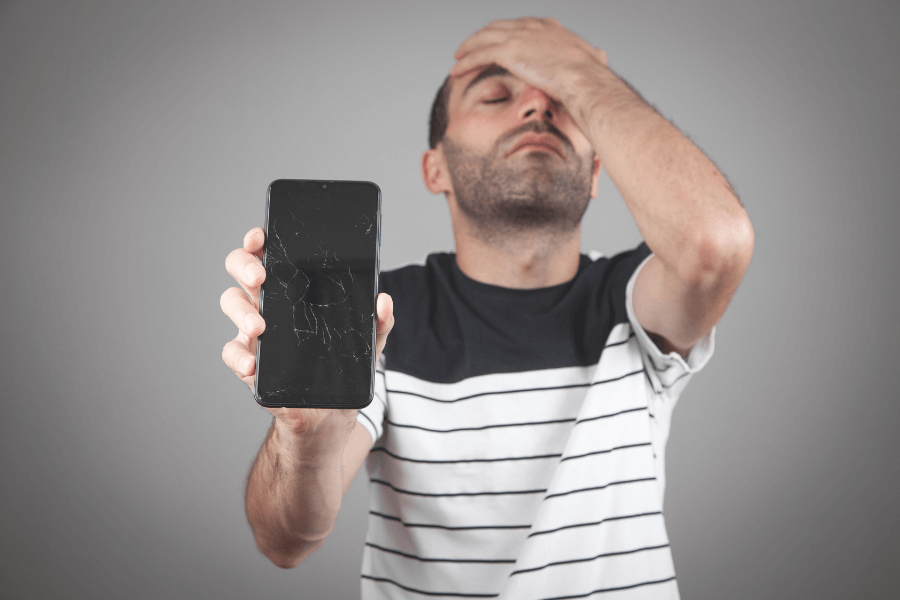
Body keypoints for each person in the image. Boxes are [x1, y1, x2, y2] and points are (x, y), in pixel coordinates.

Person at [220, 17, 753, 600]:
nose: (536, 109)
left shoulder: (632, 302)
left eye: (562, 102)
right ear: (436, 168)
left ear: (599, 171)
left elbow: (715, 245)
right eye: (498, 95)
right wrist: (307, 437)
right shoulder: (381, 317)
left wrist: (581, 74)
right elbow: (286, 539)